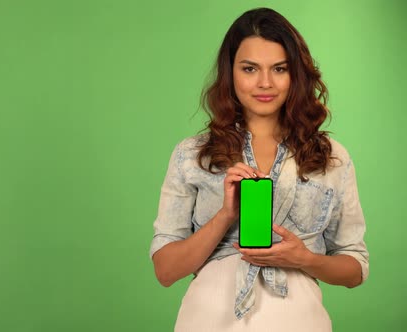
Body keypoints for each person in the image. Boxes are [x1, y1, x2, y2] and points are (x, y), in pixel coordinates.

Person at [149, 7, 369, 332]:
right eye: (250, 68)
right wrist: (225, 215)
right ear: (230, 73)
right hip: (207, 322)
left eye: (279, 68)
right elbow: (166, 271)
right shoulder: (192, 155)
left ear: (296, 74)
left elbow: (355, 269)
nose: (265, 83)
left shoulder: (331, 158)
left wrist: (304, 259)